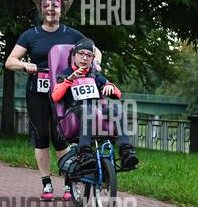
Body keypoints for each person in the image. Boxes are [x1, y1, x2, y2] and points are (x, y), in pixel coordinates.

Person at [5, 0, 102, 201]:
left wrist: (95, 64)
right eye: (46, 6)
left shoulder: (72, 34)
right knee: (41, 136)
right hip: (38, 93)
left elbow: (94, 50)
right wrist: (25, 65)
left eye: (55, 6)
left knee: (61, 137)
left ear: (61, 10)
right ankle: (46, 183)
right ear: (41, 9)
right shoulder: (30, 35)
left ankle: (69, 182)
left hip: (63, 91)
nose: (51, 9)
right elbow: (10, 61)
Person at [51, 38, 138, 170]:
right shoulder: (66, 74)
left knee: (117, 108)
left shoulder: (94, 74)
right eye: (81, 54)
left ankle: (126, 152)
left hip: (96, 110)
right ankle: (84, 153)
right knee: (88, 110)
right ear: (74, 55)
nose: (85, 58)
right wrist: (69, 80)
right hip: (75, 111)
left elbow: (117, 93)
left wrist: (110, 87)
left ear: (92, 58)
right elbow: (55, 96)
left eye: (89, 55)